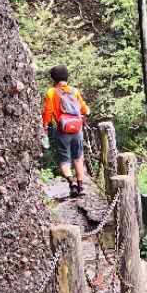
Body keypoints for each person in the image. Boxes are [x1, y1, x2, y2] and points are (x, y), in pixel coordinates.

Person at [41, 64, 90, 198]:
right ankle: (81, 187)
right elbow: (84, 109)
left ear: (54, 79)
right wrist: (85, 112)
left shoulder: (51, 92)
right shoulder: (74, 91)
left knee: (64, 159)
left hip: (62, 131)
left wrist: (44, 126)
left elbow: (47, 112)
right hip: (77, 130)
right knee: (78, 158)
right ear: (66, 76)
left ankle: (71, 183)